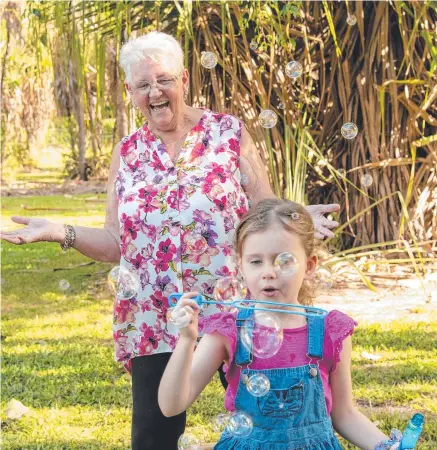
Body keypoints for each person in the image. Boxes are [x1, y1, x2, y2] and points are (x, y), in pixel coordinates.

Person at [1, 32, 340, 449]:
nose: (155, 91)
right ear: (130, 92)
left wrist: (295, 217)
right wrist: (60, 232)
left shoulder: (227, 133)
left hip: (232, 309)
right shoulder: (127, 152)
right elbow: (114, 241)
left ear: (183, 79)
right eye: (143, 85)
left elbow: (262, 207)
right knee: (153, 437)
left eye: (163, 79)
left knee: (267, 424)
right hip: (151, 314)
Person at [158, 198, 403, 450]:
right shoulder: (228, 330)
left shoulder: (329, 331)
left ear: (309, 266)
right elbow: (170, 405)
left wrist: (388, 446)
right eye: (255, 261)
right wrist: (187, 340)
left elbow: (345, 415)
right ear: (240, 266)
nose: (268, 272)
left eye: (283, 261)